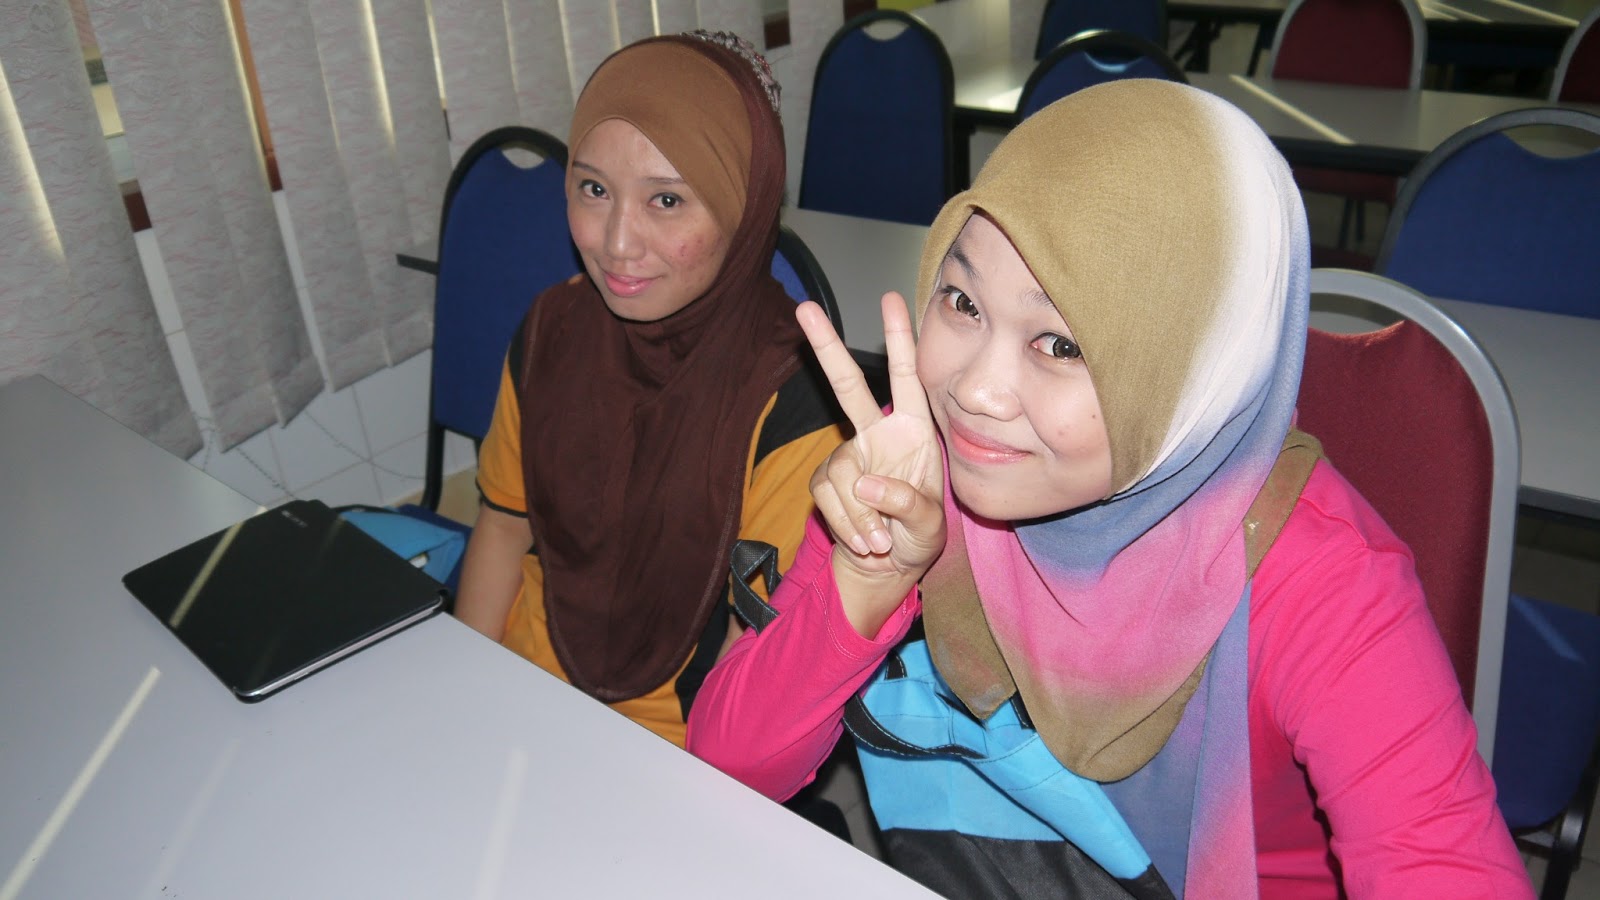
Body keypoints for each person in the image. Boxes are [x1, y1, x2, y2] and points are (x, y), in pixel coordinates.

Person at [687, 80, 1531, 898]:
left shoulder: (1322, 584)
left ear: (1191, 373)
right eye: (962, 301)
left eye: (1060, 345)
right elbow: (726, 767)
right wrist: (868, 576)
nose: (975, 390)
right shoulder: (917, 466)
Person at [454, 32, 846, 749]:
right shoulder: (551, 330)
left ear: (743, 205)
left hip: (675, 746)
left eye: (666, 199)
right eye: (593, 190)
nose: (616, 243)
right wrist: (463, 700)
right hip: (519, 687)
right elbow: (503, 526)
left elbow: (755, 662)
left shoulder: (796, 400)